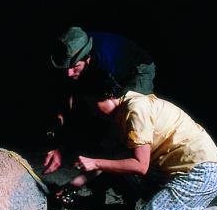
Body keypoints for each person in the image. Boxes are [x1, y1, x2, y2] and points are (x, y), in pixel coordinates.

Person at [60, 87, 217, 210]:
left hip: (201, 173)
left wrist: (96, 163)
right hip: (176, 171)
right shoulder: (123, 112)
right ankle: (139, 209)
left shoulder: (136, 109)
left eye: (93, 104)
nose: (92, 111)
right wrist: (74, 184)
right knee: (117, 167)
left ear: (109, 95)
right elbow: (113, 159)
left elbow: (140, 165)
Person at [43, 26, 156, 175]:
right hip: (101, 66)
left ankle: (135, 162)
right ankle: (99, 155)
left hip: (138, 68)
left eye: (75, 67)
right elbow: (67, 98)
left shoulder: (106, 63)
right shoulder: (71, 49)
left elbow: (110, 105)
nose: (69, 73)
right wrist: (58, 144)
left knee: (125, 116)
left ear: (88, 59)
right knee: (83, 104)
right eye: (66, 68)